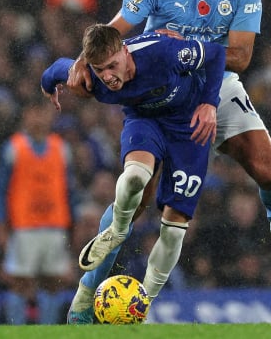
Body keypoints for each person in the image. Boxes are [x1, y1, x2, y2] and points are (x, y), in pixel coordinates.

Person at [65, 0, 271, 323]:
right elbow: (114, 31)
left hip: (212, 83)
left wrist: (183, 46)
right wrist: (82, 59)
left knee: (268, 170)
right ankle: (84, 294)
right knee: (137, 195)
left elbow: (239, 56)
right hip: (160, 91)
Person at [42, 23, 226, 320]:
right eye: (100, 69)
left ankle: (143, 304)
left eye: (113, 66)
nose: (108, 77)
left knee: (174, 228)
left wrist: (209, 103)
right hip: (145, 121)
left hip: (188, 126)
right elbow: (55, 70)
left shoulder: (165, 53)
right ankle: (90, 284)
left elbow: (216, 54)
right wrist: (47, 84)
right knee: (136, 177)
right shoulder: (90, 77)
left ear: (125, 52)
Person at [0, 98, 79, 324]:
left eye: (43, 113)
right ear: (25, 116)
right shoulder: (14, 147)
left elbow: (70, 191)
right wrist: (1, 224)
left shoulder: (61, 148)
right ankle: (17, 330)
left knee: (53, 282)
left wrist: (74, 224)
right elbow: (0, 190)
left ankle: (47, 330)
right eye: (34, 113)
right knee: (21, 282)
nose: (39, 118)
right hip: (24, 227)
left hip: (55, 225)